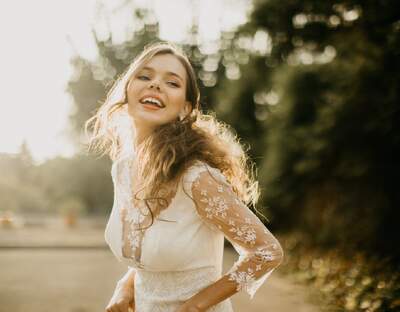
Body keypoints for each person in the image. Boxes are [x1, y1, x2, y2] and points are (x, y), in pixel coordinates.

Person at [85, 41, 284, 312]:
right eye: (145, 76)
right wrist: (126, 286)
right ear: (128, 90)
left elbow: (267, 251)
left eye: (172, 83)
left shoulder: (196, 177)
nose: (155, 84)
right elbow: (155, 254)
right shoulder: (122, 169)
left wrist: (195, 306)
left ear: (186, 109)